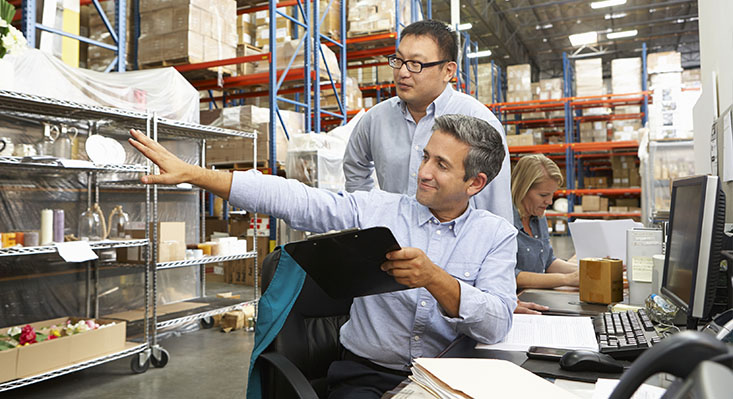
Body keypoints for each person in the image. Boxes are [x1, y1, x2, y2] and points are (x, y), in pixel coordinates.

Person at [128, 114, 517, 399]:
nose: (424, 172)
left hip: (450, 383)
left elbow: (497, 324)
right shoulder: (378, 210)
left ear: (475, 182)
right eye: (426, 157)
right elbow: (297, 199)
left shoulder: (495, 235)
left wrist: (435, 278)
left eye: (442, 165)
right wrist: (197, 174)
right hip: (365, 376)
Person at [343, 20, 512, 223]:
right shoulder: (375, 119)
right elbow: (355, 166)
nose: (403, 72)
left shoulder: (480, 122)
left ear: (448, 71)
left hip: (453, 247)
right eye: (398, 61)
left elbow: (496, 208)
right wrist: (369, 214)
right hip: (392, 242)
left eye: (416, 64)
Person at [511, 154, 579, 300]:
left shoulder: (538, 216)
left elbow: (548, 262)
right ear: (523, 189)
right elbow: (510, 275)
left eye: (552, 195)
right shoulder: (504, 221)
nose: (549, 201)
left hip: (537, 296)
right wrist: (567, 279)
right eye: (543, 195)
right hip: (515, 302)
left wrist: (587, 272)